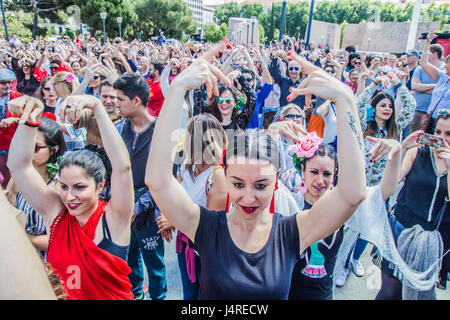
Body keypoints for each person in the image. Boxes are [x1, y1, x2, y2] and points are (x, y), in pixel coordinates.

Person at [145, 44, 366, 299]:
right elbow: (158, 180)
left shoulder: (292, 233)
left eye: (260, 185)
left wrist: (346, 100)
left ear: (276, 183)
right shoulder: (206, 228)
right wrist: (175, 91)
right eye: (238, 184)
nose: (248, 198)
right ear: (225, 179)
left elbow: (352, 193)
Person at [7, 94, 135, 300]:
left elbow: (123, 168)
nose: (70, 196)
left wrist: (98, 108)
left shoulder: (114, 219)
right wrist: (29, 120)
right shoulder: (56, 214)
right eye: (64, 187)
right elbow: (19, 167)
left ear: (100, 185)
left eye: (80, 187)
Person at [335, 70, 416, 286]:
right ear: (375, 108)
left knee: (367, 227)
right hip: (358, 185)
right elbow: (359, 103)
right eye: (383, 105)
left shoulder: (395, 130)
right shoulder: (364, 124)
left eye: (390, 106)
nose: (387, 109)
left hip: (380, 189)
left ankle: (354, 260)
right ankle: (341, 264)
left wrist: (398, 84)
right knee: (350, 225)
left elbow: (410, 105)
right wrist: (374, 84)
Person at [375, 109, 450, 299]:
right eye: (438, 132)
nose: (442, 138)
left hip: (431, 241)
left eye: (448, 134)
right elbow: (389, 187)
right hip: (401, 228)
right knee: (390, 291)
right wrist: (401, 149)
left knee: (417, 294)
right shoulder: (418, 153)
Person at [157, 113, 228, 300]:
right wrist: (168, 217)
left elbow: (210, 225)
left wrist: (172, 221)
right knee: (188, 293)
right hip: (185, 243)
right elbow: (173, 199)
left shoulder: (217, 176)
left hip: (206, 251)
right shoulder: (186, 166)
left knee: (205, 296)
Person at [113, 73, 167, 300]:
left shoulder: (162, 132)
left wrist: (140, 205)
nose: (115, 103)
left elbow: (166, 179)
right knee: (128, 262)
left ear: (136, 101)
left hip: (150, 211)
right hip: (122, 207)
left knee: (154, 266)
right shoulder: (118, 128)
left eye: (120, 99)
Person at [5, 116, 67, 254]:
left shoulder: (60, 186)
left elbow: (56, 239)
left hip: (44, 261)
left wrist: (22, 239)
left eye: (36, 147)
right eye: (27, 146)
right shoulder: (19, 177)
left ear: (54, 149)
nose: (29, 152)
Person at [70, 80, 122, 147]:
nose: (108, 101)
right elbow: (73, 109)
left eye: (112, 97)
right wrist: (86, 79)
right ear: (99, 95)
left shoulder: (124, 119)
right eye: (105, 96)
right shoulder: (91, 114)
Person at [420, 28, 450, 134]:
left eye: (448, 63)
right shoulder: (443, 77)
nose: (445, 65)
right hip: (431, 120)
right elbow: (424, 63)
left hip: (445, 125)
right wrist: (428, 42)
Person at [0, 68, 22, 188]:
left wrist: (13, 119)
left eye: (9, 82)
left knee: (12, 178)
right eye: (3, 83)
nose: (7, 85)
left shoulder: (17, 97)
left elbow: (27, 119)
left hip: (13, 143)